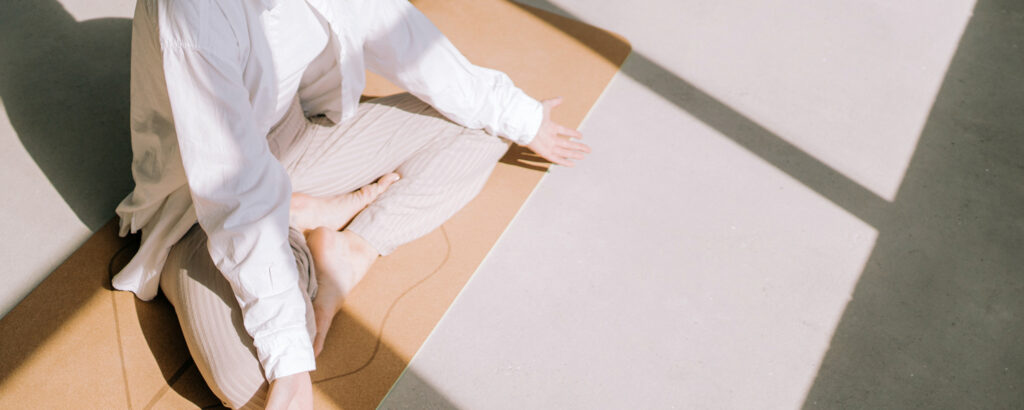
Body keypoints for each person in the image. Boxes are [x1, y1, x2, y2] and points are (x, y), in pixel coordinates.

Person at [111, 0, 589, 408]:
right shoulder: (194, 14)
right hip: (199, 210)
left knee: (486, 130)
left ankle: (349, 248)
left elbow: (402, 35)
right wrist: (289, 357)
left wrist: (523, 118)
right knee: (254, 381)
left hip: (298, 142)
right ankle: (299, 225)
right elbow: (233, 191)